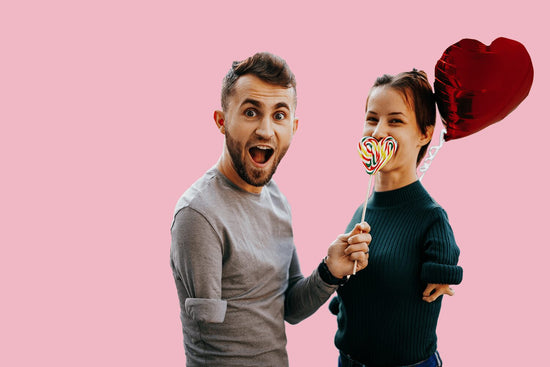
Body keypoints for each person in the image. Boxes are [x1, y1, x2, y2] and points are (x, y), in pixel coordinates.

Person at [170, 52, 370, 366]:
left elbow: (289, 309)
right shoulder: (198, 215)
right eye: (251, 112)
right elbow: (209, 337)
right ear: (222, 121)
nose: (266, 130)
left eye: (279, 115)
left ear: (294, 126)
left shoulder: (277, 200)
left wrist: (330, 272)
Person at [330, 70, 463, 367]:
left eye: (395, 120)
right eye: (371, 118)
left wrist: (443, 274)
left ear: (425, 133)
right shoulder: (360, 213)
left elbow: (446, 264)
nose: (378, 131)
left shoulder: (431, 218)